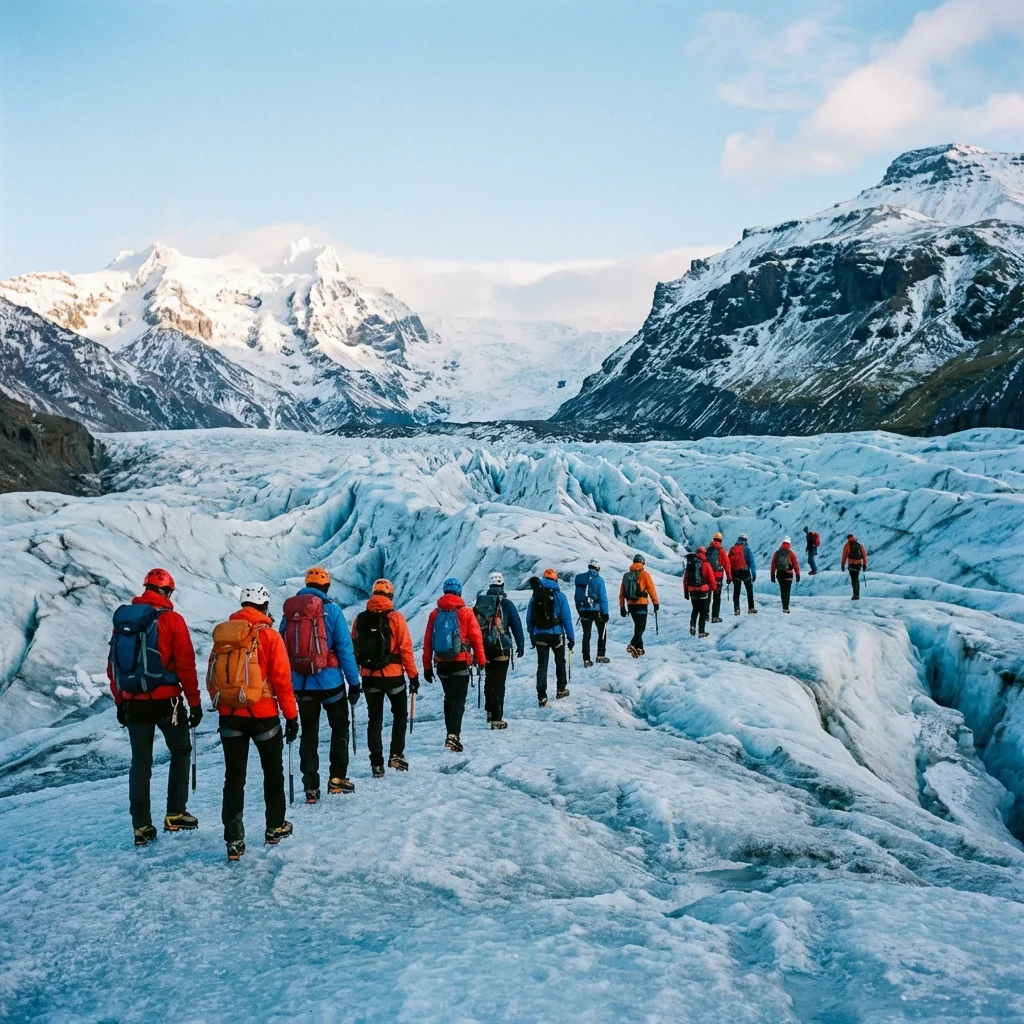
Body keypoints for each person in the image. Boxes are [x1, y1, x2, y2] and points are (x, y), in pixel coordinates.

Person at [108, 568, 201, 847]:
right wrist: (194, 703)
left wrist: (120, 700)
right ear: (168, 592)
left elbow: (113, 665)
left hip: (134, 702)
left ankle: (141, 826)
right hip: (167, 702)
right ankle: (175, 813)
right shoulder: (172, 620)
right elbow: (186, 665)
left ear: (146, 588)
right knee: (181, 751)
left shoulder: (124, 621)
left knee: (141, 762)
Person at [208, 585, 298, 861]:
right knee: (273, 773)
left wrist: (224, 704)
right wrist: (291, 716)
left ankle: (234, 840)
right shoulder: (269, 636)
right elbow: (282, 682)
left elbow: (212, 677)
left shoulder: (224, 636)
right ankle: (275, 826)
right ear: (265, 606)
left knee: (234, 778)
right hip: (263, 717)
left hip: (230, 716)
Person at [280, 567, 361, 804]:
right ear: (326, 587)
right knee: (339, 727)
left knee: (309, 733)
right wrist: (354, 682)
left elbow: (282, 649)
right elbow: (345, 649)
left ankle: (310, 787)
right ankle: (337, 778)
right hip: (331, 683)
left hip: (302, 684)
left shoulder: (290, 614)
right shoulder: (332, 611)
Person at [351, 578, 418, 776]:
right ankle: (396, 754)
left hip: (370, 677)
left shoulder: (360, 618)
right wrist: (413, 676)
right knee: (399, 715)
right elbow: (406, 649)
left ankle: (376, 764)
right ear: (390, 596)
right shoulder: (396, 618)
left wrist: (357, 676)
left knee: (375, 719)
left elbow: (354, 648)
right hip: (394, 677)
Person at [423, 577, 486, 752]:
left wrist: (427, 666)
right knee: (459, 700)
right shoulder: (465, 612)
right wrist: (481, 660)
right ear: (459, 592)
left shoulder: (435, 614)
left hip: (442, 663)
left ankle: (450, 732)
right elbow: (476, 638)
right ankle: (453, 735)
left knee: (449, 698)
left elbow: (428, 641)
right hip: (461, 662)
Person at [473, 572, 525, 729]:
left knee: (489, 679)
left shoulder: (480, 604)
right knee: (499, 683)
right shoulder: (507, 604)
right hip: (502, 649)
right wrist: (520, 645)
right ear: (502, 585)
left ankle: (489, 711)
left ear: (490, 586)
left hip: (485, 648)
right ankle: (497, 718)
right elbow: (516, 626)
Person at [527, 570, 575, 703]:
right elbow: (566, 618)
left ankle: (542, 695)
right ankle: (561, 689)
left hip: (540, 634)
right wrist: (571, 637)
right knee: (560, 661)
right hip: (556, 634)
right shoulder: (560, 596)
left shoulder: (535, 596)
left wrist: (532, 632)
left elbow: (529, 616)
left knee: (542, 664)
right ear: (556, 580)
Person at [619, 554, 659, 657]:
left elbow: (622, 593)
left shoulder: (627, 576)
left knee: (638, 626)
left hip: (631, 605)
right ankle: (632, 644)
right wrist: (655, 603)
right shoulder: (644, 574)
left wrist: (622, 607)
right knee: (641, 628)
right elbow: (651, 589)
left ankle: (639, 648)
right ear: (642, 563)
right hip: (641, 604)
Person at [574, 559, 610, 666]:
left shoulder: (580, 579)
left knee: (586, 635)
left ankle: (586, 659)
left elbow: (577, 597)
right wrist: (605, 612)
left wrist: (580, 611)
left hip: (584, 611)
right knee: (602, 632)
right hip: (596, 610)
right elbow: (603, 597)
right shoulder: (599, 580)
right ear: (598, 568)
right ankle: (600, 655)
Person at [683, 548, 716, 637]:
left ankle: (692, 625)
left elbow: (685, 579)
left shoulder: (690, 564)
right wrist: (714, 588)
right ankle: (701, 631)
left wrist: (686, 591)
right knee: (702, 611)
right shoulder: (706, 563)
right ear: (704, 553)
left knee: (695, 609)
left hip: (692, 591)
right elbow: (711, 578)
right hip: (703, 590)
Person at [706, 532, 733, 623]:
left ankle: (705, 616)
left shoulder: (708, 550)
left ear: (713, 539)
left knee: (707, 596)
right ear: (721, 540)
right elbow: (727, 564)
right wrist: (729, 577)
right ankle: (715, 617)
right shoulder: (721, 551)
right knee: (717, 597)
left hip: (707, 577)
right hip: (718, 577)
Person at [770, 537, 801, 613]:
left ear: (782, 543)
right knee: (787, 592)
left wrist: (772, 575)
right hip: (788, 575)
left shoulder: (777, 553)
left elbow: (773, 564)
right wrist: (798, 574)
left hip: (780, 575)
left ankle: (784, 606)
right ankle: (786, 608)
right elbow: (796, 565)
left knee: (782, 591)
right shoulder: (791, 553)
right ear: (789, 544)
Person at [728, 534, 757, 615]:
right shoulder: (747, 549)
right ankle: (751, 608)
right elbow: (752, 562)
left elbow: (728, 562)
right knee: (749, 591)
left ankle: (737, 609)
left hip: (735, 573)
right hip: (745, 572)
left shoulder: (732, 549)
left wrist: (730, 575)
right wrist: (753, 573)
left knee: (736, 592)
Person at [841, 534, 868, 600]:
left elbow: (844, 556)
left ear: (848, 538)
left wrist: (842, 565)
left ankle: (855, 595)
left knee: (853, 579)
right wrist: (864, 565)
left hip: (851, 564)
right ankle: (857, 594)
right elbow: (864, 556)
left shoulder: (847, 545)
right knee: (856, 578)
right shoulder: (859, 545)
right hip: (858, 564)